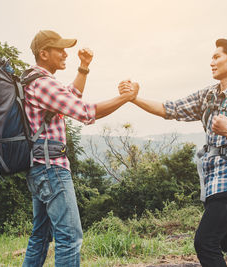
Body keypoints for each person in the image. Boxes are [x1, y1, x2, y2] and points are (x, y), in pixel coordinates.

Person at [119, 39, 227, 266]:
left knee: (205, 242)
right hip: (213, 180)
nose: (211, 62)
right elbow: (170, 109)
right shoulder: (209, 95)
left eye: (216, 57)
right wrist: (133, 98)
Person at [22, 30, 139, 267]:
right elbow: (85, 112)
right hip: (51, 168)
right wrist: (125, 98)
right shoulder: (43, 83)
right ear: (44, 53)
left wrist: (83, 67)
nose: (65, 53)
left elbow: (70, 96)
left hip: (38, 167)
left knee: (41, 236)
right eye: (59, 49)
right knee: (69, 237)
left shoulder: (35, 81)